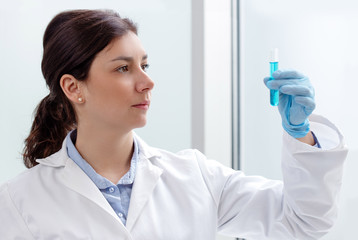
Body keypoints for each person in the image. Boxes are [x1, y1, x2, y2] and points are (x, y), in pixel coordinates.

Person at [0, 9, 348, 240]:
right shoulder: (19, 201)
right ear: (73, 87)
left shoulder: (195, 177)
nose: (146, 82)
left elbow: (306, 221)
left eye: (145, 66)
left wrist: (302, 135)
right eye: (123, 68)